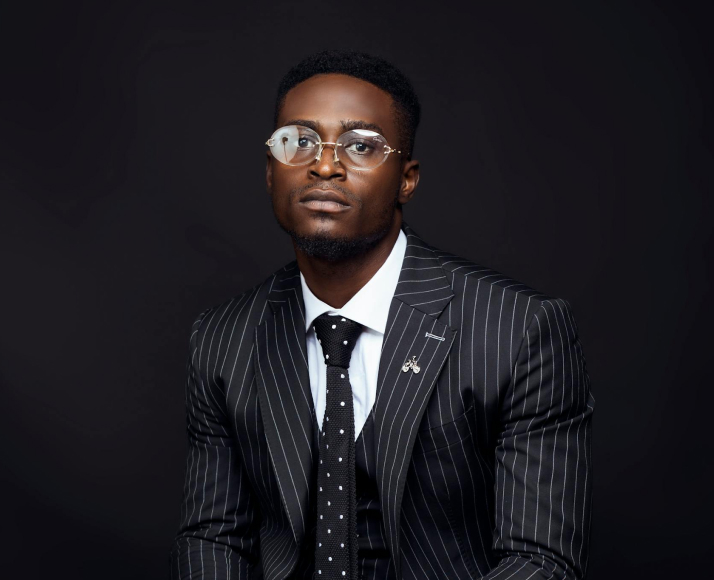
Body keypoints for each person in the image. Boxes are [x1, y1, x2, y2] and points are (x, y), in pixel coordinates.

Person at [170, 50, 594, 580]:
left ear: (406, 179)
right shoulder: (222, 339)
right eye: (298, 141)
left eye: (361, 145)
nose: (324, 165)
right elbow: (213, 538)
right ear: (270, 172)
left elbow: (540, 560)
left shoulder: (519, 330)